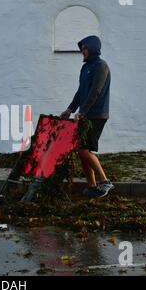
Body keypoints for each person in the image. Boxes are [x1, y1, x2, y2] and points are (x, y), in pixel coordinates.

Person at [61, 35, 114, 198]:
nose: (82, 51)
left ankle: (105, 181)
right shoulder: (85, 68)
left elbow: (95, 92)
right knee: (82, 150)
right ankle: (91, 186)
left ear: (92, 48)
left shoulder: (100, 66)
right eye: (81, 48)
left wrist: (82, 111)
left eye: (85, 48)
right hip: (85, 115)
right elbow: (81, 92)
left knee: (83, 150)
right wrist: (70, 109)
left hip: (97, 115)